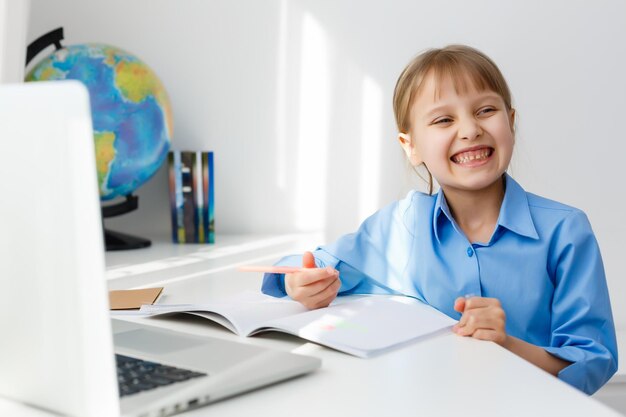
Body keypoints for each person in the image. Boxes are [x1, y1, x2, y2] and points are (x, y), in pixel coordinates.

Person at [261, 44, 617, 395]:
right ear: (410, 145)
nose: (470, 130)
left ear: (510, 122)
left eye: (486, 110)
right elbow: (314, 265)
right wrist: (300, 283)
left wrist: (505, 344)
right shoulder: (401, 227)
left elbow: (591, 360)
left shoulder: (565, 230)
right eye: (444, 119)